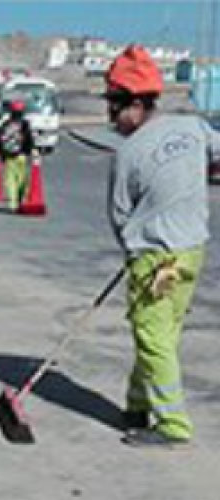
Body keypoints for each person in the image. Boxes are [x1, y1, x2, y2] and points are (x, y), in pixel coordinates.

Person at [105, 44, 220, 447]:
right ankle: (137, 405)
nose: (111, 117)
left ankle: (172, 426)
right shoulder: (192, 128)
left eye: (115, 107)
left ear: (135, 104)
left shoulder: (129, 153)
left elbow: (119, 216)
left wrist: (133, 248)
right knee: (161, 333)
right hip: (190, 251)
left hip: (153, 260)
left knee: (152, 337)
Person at [0, 98, 36, 211]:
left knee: (10, 180)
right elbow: (29, 139)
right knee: (22, 180)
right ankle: (21, 199)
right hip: (22, 156)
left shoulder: (6, 124)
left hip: (8, 156)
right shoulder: (25, 124)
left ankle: (13, 203)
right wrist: (32, 150)